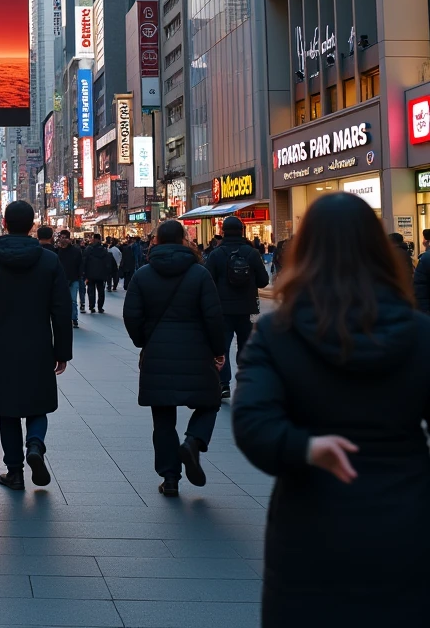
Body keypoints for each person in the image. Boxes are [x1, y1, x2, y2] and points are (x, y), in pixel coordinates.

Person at [232, 193, 430, 626]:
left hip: (310, 525)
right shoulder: (419, 334)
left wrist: (306, 447)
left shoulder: (277, 334)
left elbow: (252, 424)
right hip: (408, 520)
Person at [0, 200, 72, 490]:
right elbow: (61, 309)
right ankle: (35, 445)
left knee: (8, 410)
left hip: (1, 347)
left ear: (4, 224)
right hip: (39, 344)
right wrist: (62, 350)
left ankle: (14, 471)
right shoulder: (50, 261)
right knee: (37, 404)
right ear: (33, 225)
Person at [123, 219, 225, 497]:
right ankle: (193, 441)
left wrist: (143, 341)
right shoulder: (199, 273)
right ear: (184, 240)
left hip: (158, 354)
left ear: (154, 242)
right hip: (197, 352)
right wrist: (218, 350)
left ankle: (170, 478)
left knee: (163, 419)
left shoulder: (143, 275)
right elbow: (214, 316)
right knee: (210, 402)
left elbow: (131, 315)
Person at [205, 215, 269, 399]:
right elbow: (264, 281)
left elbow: (208, 281)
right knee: (246, 344)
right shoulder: (251, 253)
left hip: (222, 309)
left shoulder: (216, 254)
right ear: (242, 231)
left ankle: (223, 383)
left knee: (222, 346)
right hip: (247, 308)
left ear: (223, 231)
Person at [56, 229, 84, 327]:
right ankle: (64, 318)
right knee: (61, 301)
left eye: (65, 238)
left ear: (69, 239)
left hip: (73, 279)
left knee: (73, 300)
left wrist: (80, 276)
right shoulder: (57, 251)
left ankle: (74, 318)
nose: (63, 240)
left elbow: (80, 264)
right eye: (61, 237)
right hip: (60, 280)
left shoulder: (75, 251)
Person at [82, 233, 113, 314]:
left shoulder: (88, 249)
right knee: (101, 291)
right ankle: (100, 307)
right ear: (99, 239)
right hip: (101, 274)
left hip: (90, 274)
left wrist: (84, 273)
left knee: (91, 291)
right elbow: (108, 263)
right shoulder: (104, 250)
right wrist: (107, 274)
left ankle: (92, 306)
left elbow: (84, 261)